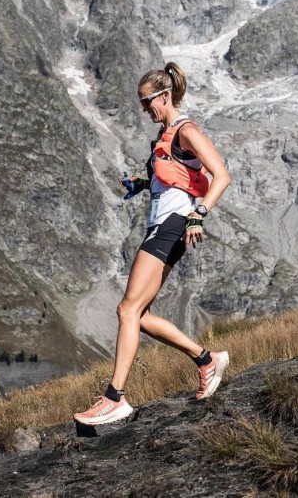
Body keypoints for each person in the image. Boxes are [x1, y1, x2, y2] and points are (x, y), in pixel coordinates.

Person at [74, 62, 232, 426]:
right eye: (142, 103)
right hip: (162, 224)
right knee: (138, 315)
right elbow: (177, 177)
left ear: (165, 96)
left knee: (127, 310)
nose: (145, 109)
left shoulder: (186, 130)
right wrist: (142, 185)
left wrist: (199, 214)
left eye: (148, 102)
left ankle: (115, 397)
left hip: (175, 224)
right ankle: (207, 359)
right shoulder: (165, 136)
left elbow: (221, 175)